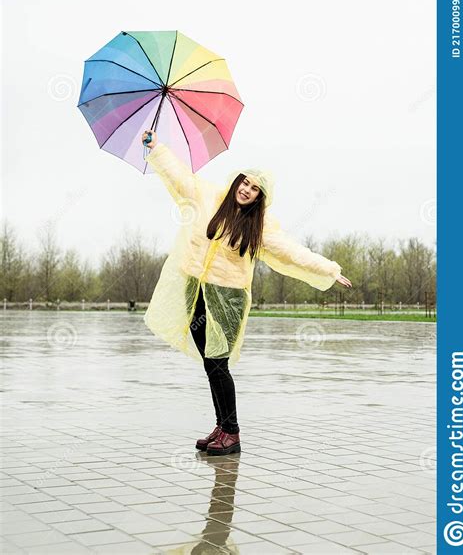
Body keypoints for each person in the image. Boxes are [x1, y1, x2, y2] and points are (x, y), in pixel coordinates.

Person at [141, 129, 352, 455]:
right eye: (245, 183)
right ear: (237, 181)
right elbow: (180, 176)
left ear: (259, 197)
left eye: (255, 189)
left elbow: (291, 251)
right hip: (195, 289)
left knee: (218, 362)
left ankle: (233, 433)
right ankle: (222, 426)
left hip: (227, 298)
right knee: (209, 363)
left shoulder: (261, 225)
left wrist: (329, 269)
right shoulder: (208, 198)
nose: (247, 190)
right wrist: (156, 148)